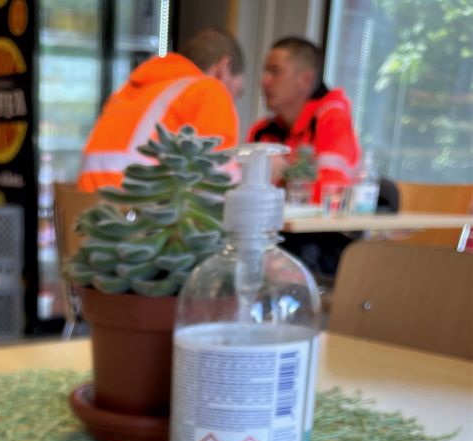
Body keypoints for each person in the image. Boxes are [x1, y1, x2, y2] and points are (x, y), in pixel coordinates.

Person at [78, 28, 245, 192]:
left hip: (85, 210)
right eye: (236, 93)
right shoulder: (209, 90)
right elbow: (221, 187)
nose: (232, 103)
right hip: (138, 212)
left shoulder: (129, 91)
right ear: (223, 68)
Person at [248, 36, 362, 277]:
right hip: (272, 237)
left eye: (275, 71)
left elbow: (331, 194)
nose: (264, 80)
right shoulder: (262, 131)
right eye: (265, 71)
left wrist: (281, 176)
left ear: (306, 79)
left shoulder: (332, 120)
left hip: (323, 243)